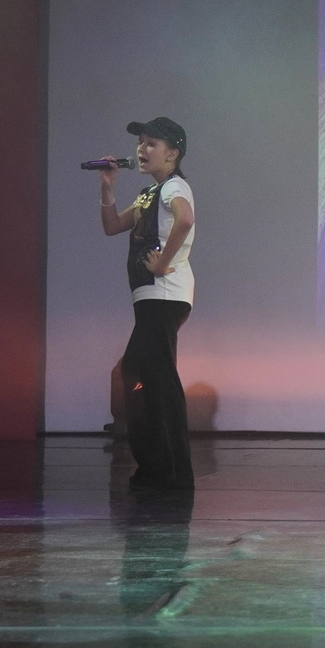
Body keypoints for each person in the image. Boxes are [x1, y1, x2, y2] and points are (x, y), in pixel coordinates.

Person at [99, 117, 196, 492]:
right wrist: (108, 188)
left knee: (150, 377)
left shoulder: (174, 186)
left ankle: (167, 471)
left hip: (165, 293)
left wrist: (163, 261)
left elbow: (185, 219)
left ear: (172, 154)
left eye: (152, 143)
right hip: (150, 296)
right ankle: (161, 469)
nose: (142, 148)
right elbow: (112, 226)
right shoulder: (148, 193)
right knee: (144, 375)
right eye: (141, 142)